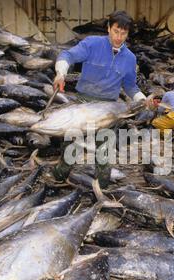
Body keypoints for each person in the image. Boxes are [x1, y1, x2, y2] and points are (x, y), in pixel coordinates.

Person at [51, 10, 149, 187]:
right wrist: (61, 73)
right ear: (108, 28)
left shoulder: (129, 58)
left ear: (128, 34)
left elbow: (130, 86)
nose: (119, 37)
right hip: (82, 103)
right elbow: (68, 55)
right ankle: (58, 178)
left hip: (108, 108)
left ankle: (102, 188)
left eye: (123, 33)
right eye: (116, 31)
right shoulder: (92, 44)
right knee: (71, 147)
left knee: (104, 153)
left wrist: (143, 99)